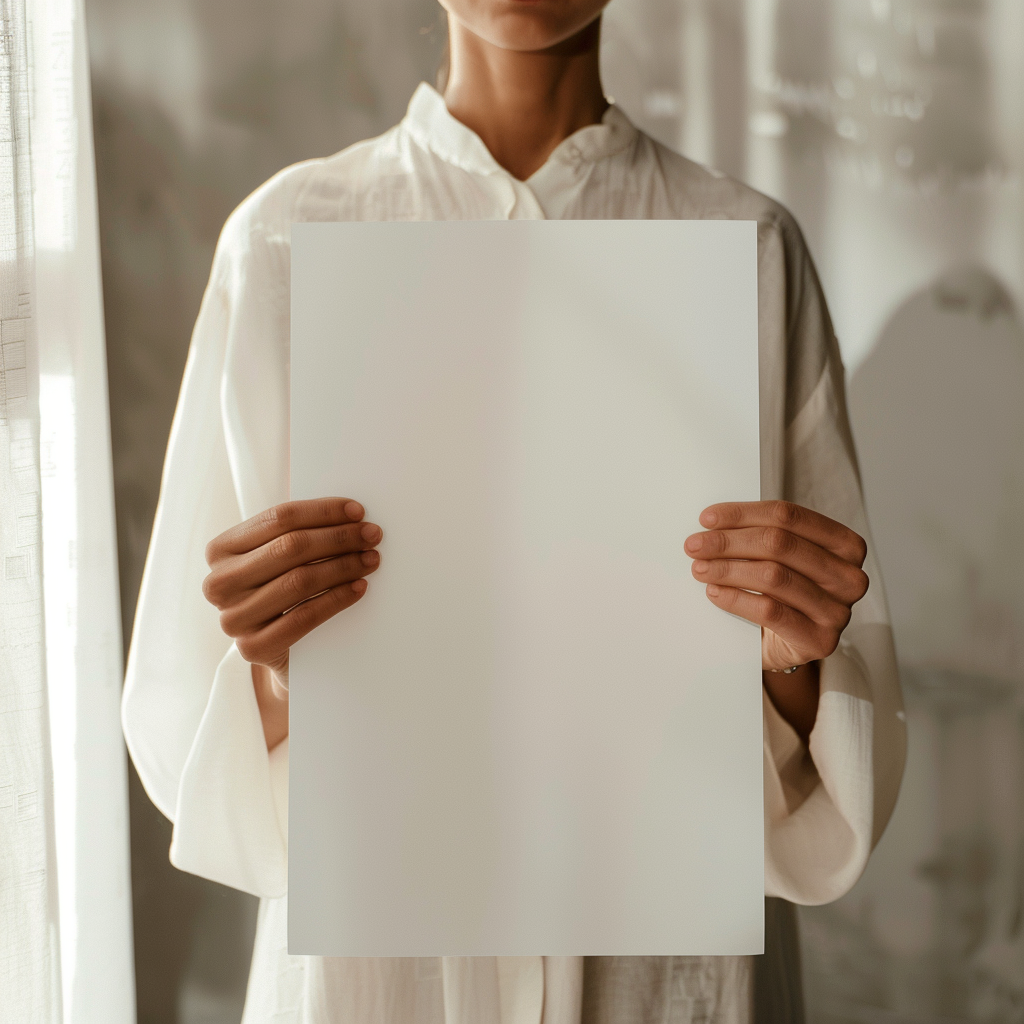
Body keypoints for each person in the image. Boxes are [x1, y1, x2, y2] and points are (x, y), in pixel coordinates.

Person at [121, 1, 907, 1021]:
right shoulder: (282, 240)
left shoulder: (749, 248)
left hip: (661, 977)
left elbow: (826, 761)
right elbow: (185, 732)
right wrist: (274, 666)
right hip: (384, 978)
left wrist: (795, 655)